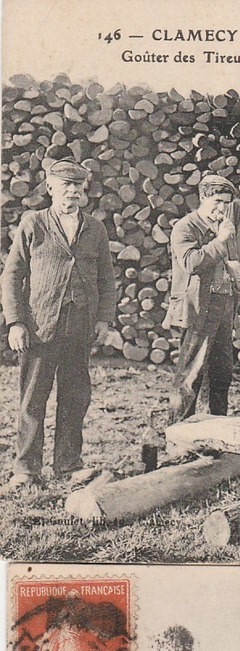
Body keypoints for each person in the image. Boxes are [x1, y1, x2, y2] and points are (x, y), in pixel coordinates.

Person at [1, 159, 116, 493]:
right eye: (65, 186)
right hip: (40, 326)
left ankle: (68, 464)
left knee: (75, 396)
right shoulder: (33, 223)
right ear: (50, 188)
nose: (72, 193)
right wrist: (16, 322)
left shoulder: (95, 228)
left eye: (78, 187)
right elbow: (12, 275)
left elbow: (107, 279)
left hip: (79, 327)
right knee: (33, 398)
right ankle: (26, 469)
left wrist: (104, 319)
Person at [164, 175, 240, 421]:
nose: (222, 208)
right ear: (202, 198)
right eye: (217, 201)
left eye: (226, 203)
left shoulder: (224, 227)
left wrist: (238, 273)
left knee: (222, 373)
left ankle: (217, 429)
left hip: (223, 305)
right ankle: (179, 432)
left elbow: (229, 260)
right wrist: (221, 240)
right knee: (191, 373)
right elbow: (191, 263)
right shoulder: (186, 226)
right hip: (197, 308)